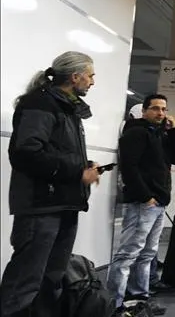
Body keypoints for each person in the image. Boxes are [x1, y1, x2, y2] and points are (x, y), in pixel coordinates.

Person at [0, 52, 102, 317]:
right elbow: (26, 152)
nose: (92, 81)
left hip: (63, 203)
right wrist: (77, 173)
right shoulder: (40, 104)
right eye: (90, 75)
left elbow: (57, 151)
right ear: (75, 76)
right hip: (41, 207)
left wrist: (85, 166)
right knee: (26, 280)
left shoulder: (67, 107)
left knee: (51, 279)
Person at [107, 94, 175, 316]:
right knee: (129, 253)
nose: (160, 113)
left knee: (148, 253)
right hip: (144, 202)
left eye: (163, 109)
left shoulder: (160, 134)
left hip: (158, 202)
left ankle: (139, 297)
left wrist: (174, 130)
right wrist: (145, 196)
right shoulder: (136, 133)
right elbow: (129, 167)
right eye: (155, 109)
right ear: (144, 111)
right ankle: (115, 303)